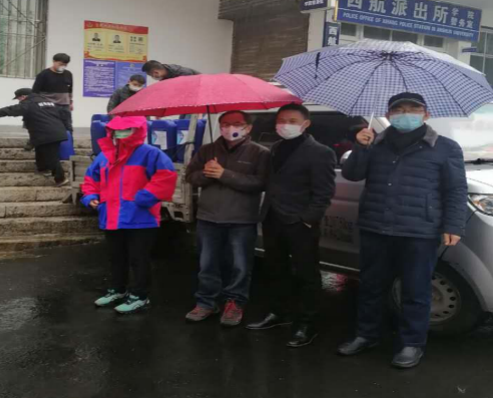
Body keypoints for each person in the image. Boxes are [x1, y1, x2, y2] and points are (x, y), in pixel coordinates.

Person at [338, 92, 468, 370]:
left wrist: (453, 225)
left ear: (426, 114)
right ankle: (366, 334)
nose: (405, 114)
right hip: (376, 226)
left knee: (416, 290)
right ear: (389, 115)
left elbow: (456, 189)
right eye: (398, 109)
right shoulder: (375, 143)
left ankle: (412, 343)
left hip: (419, 230)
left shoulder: (445, 147)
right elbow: (352, 174)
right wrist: (360, 147)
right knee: (371, 286)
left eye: (413, 109)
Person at [246, 104, 337, 349]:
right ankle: (279, 312)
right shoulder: (276, 147)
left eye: (292, 120)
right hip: (273, 218)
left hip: (300, 223)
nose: (285, 124)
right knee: (275, 269)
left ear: (306, 124)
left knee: (307, 273)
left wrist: (307, 219)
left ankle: (307, 323)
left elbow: (324, 192)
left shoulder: (321, 152)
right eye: (281, 120)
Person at [82, 116, 178, 315]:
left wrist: (144, 197)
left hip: (141, 218)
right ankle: (117, 290)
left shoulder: (150, 153)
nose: (120, 134)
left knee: (139, 259)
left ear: (138, 131)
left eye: (127, 130)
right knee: (116, 258)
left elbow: (166, 176)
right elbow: (91, 178)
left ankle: (140, 296)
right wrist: (90, 197)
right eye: (117, 130)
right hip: (111, 217)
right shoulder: (105, 156)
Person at [185, 111, 270, 327]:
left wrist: (225, 174)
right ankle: (206, 302)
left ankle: (235, 303)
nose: (230, 127)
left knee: (240, 265)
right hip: (208, 217)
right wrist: (206, 173)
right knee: (207, 264)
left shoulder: (260, 153)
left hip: (242, 219)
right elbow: (191, 176)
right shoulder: (207, 150)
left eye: (237, 123)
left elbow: (261, 183)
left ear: (248, 127)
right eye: (225, 123)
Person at [0, 88, 72, 187]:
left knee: (51, 156)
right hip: (56, 132)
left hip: (46, 133)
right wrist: (67, 128)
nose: (19, 101)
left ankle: (61, 179)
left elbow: (12, 109)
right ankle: (43, 169)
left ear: (23, 97)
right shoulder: (49, 102)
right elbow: (63, 115)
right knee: (40, 149)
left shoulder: (29, 103)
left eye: (18, 98)